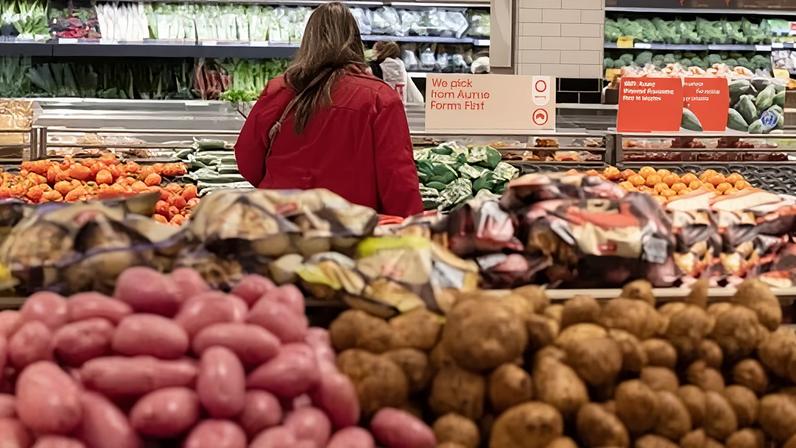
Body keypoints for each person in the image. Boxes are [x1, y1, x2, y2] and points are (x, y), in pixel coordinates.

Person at [234, 2, 423, 217]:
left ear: (308, 41)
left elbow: (247, 157)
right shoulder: (380, 98)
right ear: (355, 41)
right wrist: (411, 228)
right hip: (349, 226)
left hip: (282, 220)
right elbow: (397, 177)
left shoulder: (280, 89)